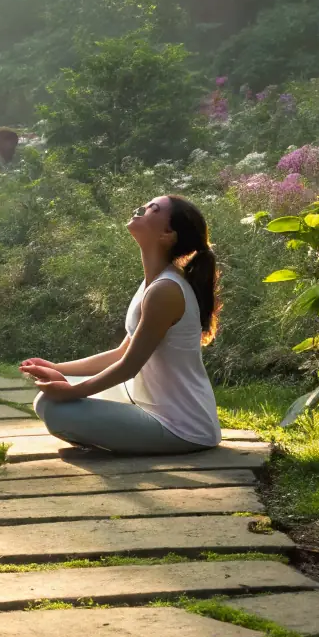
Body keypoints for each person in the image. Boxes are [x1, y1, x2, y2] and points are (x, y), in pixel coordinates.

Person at [20, 195, 222, 454]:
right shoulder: (155, 283)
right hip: (146, 403)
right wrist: (57, 368)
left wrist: (70, 392)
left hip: (183, 427)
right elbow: (121, 353)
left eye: (153, 209)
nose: (141, 209)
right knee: (47, 399)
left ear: (167, 233)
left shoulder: (166, 291)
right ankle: (115, 433)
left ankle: (115, 437)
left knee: (55, 408)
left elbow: (128, 367)